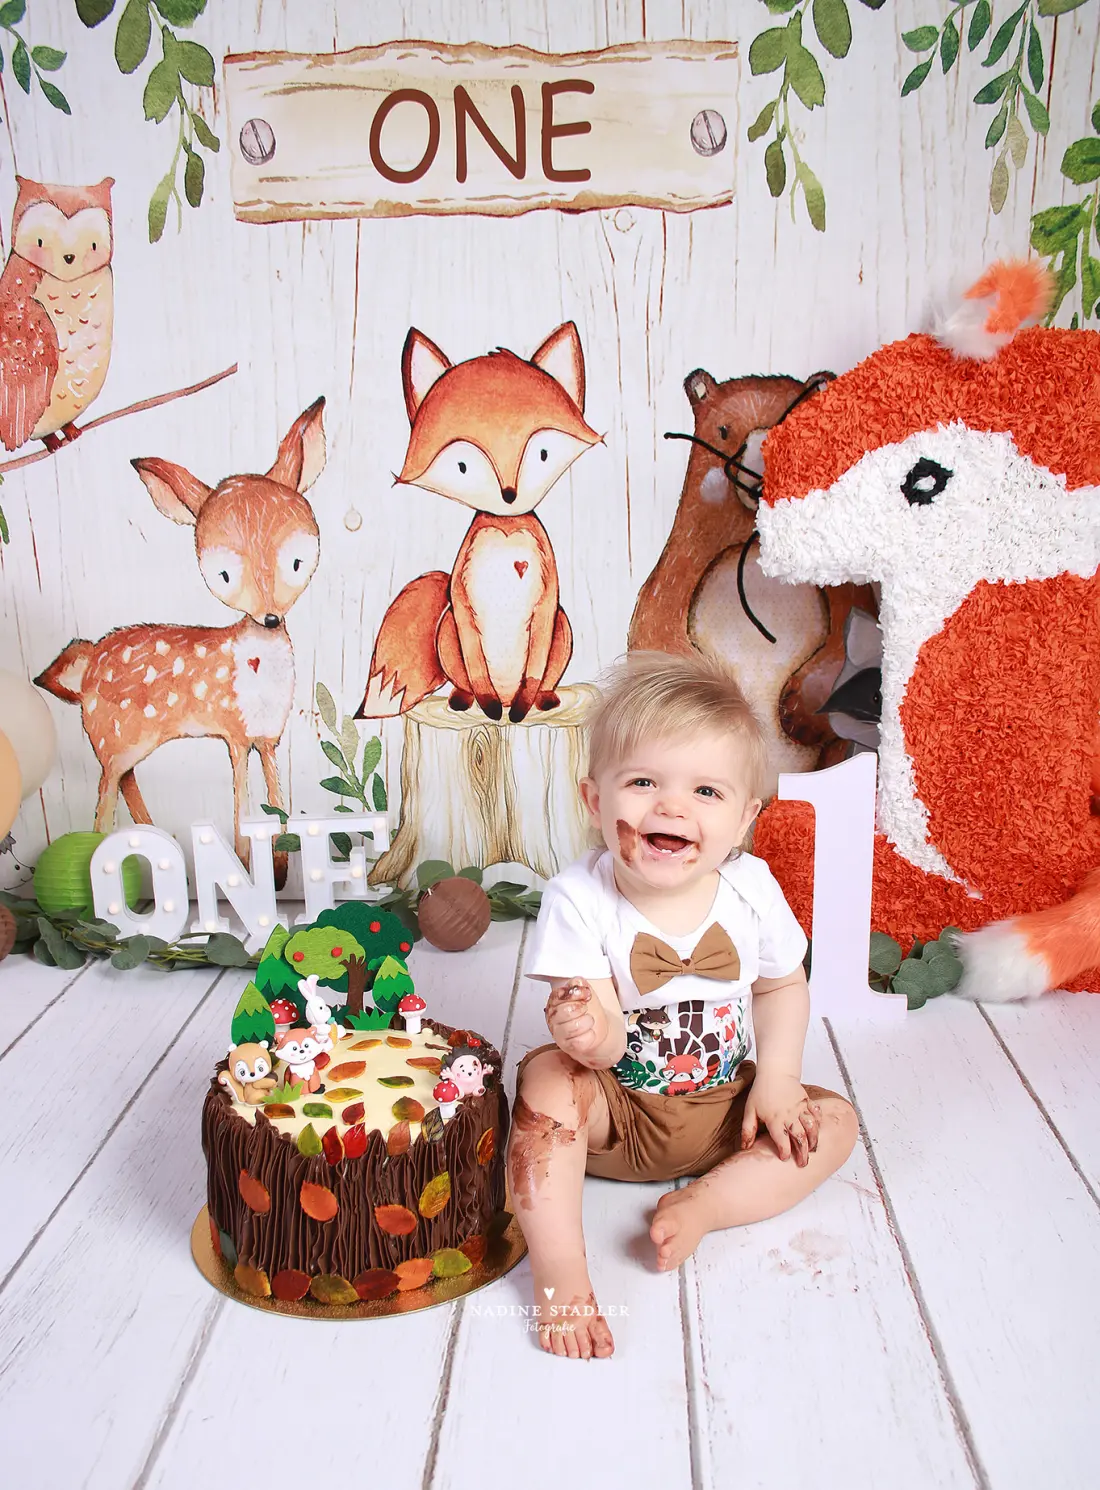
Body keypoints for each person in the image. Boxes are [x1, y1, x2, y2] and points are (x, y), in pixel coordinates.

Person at [511, 650, 859, 1359]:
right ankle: (560, 1274)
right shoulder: (580, 897)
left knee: (836, 1123)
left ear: (744, 817)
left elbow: (781, 985)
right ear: (595, 801)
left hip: (730, 1110)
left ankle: (709, 1203)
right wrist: (585, 1031)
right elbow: (608, 1045)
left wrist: (778, 1080)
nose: (671, 807)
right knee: (546, 1077)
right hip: (619, 1114)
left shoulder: (751, 888)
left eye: (706, 791)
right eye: (643, 782)